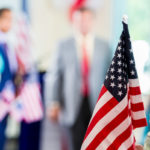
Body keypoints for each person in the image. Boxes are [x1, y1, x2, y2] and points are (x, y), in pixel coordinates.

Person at [45, 7, 111, 150]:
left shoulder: (104, 46)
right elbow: (54, 75)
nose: (83, 23)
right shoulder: (63, 45)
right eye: (79, 20)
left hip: (97, 104)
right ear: (74, 22)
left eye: (86, 20)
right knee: (74, 143)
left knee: (96, 142)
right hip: (71, 103)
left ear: (92, 21)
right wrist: (53, 102)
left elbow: (110, 76)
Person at [0, 8, 17, 150]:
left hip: (7, 96)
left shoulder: (8, 43)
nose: (10, 22)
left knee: (2, 133)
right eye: (7, 18)